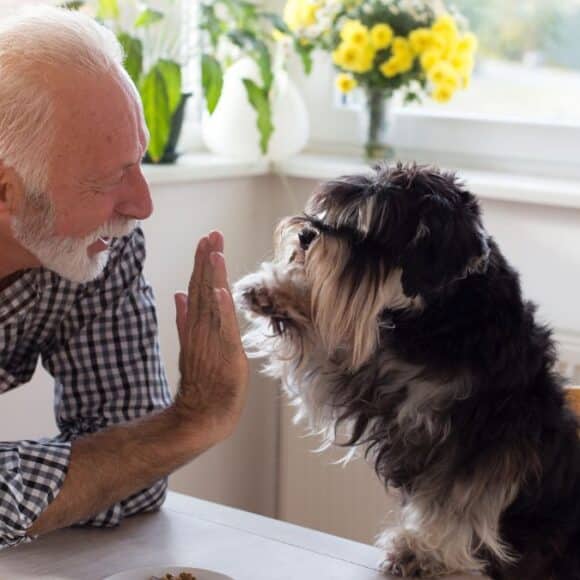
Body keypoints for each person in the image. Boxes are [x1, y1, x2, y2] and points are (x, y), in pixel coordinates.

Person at [0, 6, 249, 549]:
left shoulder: (95, 248)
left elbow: (135, 486)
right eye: (109, 178)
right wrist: (192, 422)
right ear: (4, 192)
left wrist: (167, 436)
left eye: (137, 162)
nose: (142, 205)